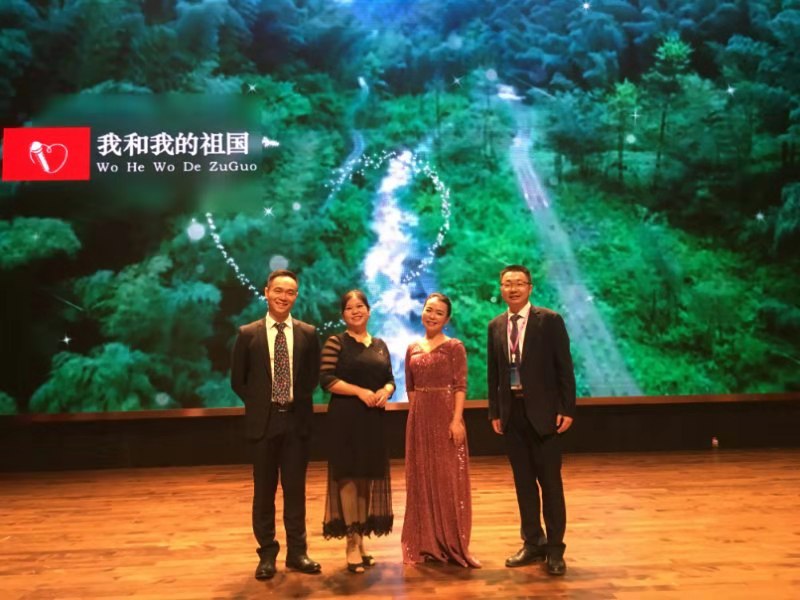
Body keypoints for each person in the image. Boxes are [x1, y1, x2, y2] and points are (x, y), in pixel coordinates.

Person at [230, 269, 322, 580]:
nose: (284, 296)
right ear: (266, 292)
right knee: (264, 492)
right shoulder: (248, 334)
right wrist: (261, 404)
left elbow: (311, 377)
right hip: (264, 423)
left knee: (295, 491)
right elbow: (238, 380)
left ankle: (298, 553)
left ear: (296, 296)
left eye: (290, 292)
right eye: (278, 290)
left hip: (297, 421)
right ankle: (267, 554)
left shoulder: (308, 333)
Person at [487, 265, 576, 576]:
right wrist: (495, 411)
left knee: (550, 484)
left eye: (519, 283)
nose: (513, 289)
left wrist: (567, 408)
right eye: (507, 284)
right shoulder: (496, 325)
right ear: (501, 288)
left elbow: (565, 368)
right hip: (512, 415)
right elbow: (494, 374)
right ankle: (532, 542)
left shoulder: (549, 321)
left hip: (545, 415)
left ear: (530, 287)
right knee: (523, 485)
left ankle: (555, 549)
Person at [402, 292, 480, 568]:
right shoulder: (412, 347)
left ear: (447, 319)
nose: (432, 316)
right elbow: (410, 387)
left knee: (449, 480)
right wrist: (417, 417)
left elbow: (460, 386)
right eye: (429, 310)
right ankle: (426, 544)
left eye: (438, 312)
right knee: (421, 479)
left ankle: (453, 543)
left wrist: (456, 420)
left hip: (446, 416)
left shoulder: (454, 347)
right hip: (419, 419)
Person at [320, 290, 394, 574]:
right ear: (343, 314)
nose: (355, 311)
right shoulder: (336, 342)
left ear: (369, 310)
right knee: (349, 476)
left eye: (360, 306)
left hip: (373, 418)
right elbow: (326, 379)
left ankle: (361, 540)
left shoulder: (380, 344)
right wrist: (360, 392)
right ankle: (351, 542)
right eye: (349, 308)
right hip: (345, 417)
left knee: (366, 478)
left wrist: (386, 390)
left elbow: (390, 379)